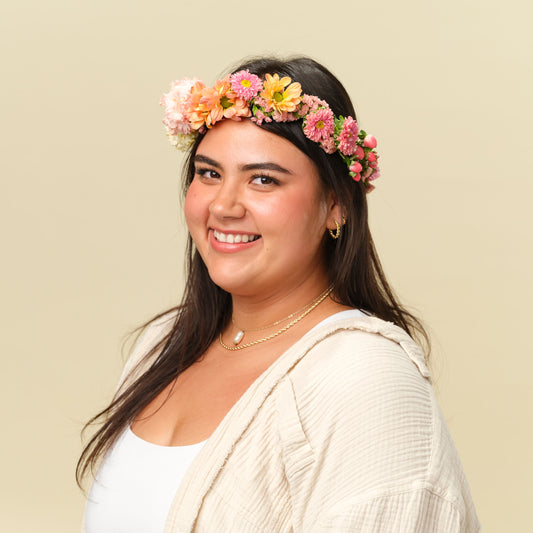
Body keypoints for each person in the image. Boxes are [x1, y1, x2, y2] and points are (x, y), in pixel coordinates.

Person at [78, 56, 480, 532]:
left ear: (336, 205)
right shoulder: (165, 345)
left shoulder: (365, 377)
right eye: (209, 173)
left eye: (263, 179)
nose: (224, 205)